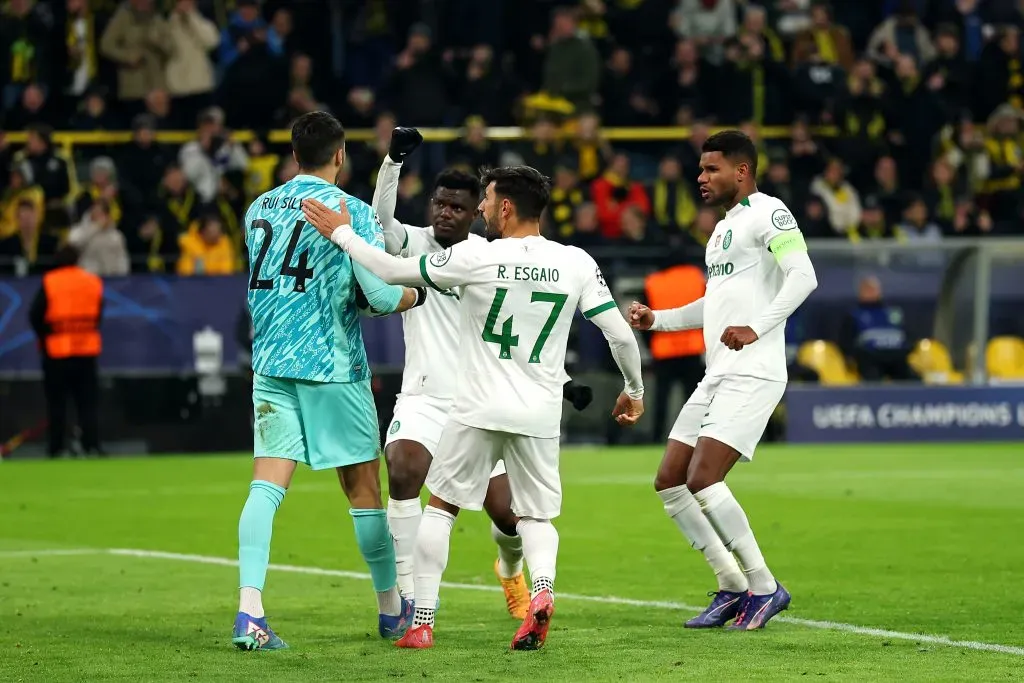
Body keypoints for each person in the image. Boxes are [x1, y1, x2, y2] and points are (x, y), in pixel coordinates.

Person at [302, 165, 646, 651]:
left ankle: (421, 622)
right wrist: (634, 388)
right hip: (539, 415)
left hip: (477, 407)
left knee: (440, 509)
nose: (481, 208)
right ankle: (542, 593)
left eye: (485, 200)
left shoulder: (476, 256)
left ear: (505, 206)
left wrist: (341, 234)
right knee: (535, 519)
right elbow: (618, 333)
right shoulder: (576, 262)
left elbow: (390, 269)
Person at [372, 129, 594, 620]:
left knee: (510, 518)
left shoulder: (485, 258)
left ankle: (510, 569)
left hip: (479, 400)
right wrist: (392, 162)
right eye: (439, 203)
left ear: (478, 213)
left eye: (456, 207)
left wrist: (562, 382)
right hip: (425, 398)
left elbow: (514, 337)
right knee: (405, 470)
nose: (444, 213)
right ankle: (408, 597)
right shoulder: (414, 243)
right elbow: (381, 221)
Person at [232, 111, 426, 651]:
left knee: (265, 488)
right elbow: (384, 297)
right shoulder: (352, 212)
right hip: (331, 366)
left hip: (271, 364)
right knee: (363, 490)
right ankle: (392, 611)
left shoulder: (256, 210)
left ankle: (250, 611)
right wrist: (421, 294)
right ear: (339, 156)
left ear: (295, 156)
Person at [628, 130, 818, 631]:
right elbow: (714, 302)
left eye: (712, 169)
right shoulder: (721, 230)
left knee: (703, 478)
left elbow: (803, 276)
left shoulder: (770, 213)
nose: (701, 177)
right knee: (670, 481)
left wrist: (757, 327)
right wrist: (659, 320)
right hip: (718, 372)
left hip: (754, 371)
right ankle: (731, 585)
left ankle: (764, 586)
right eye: (700, 169)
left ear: (743, 170)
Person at [28, 245, 104, 457]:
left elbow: (35, 314)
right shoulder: (92, 282)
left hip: (57, 351)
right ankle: (91, 445)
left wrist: (45, 337)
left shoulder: (50, 282)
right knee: (87, 403)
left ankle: (56, 447)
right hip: (87, 350)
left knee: (57, 404)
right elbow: (98, 314)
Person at [839, 275, 919, 382]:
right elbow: (846, 343)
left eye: (873, 289)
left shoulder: (893, 313)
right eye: (867, 289)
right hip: (870, 360)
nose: (870, 292)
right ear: (860, 292)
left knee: (913, 379)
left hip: (897, 358)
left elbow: (909, 337)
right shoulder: (854, 315)